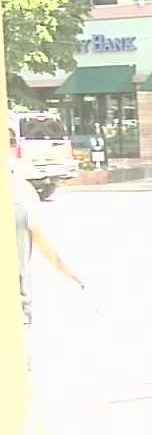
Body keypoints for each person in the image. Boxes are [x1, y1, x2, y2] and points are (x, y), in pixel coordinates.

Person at [10, 129, 84, 330]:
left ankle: (23, 313)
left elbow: (38, 233)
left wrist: (67, 271)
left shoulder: (18, 185)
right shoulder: (18, 183)